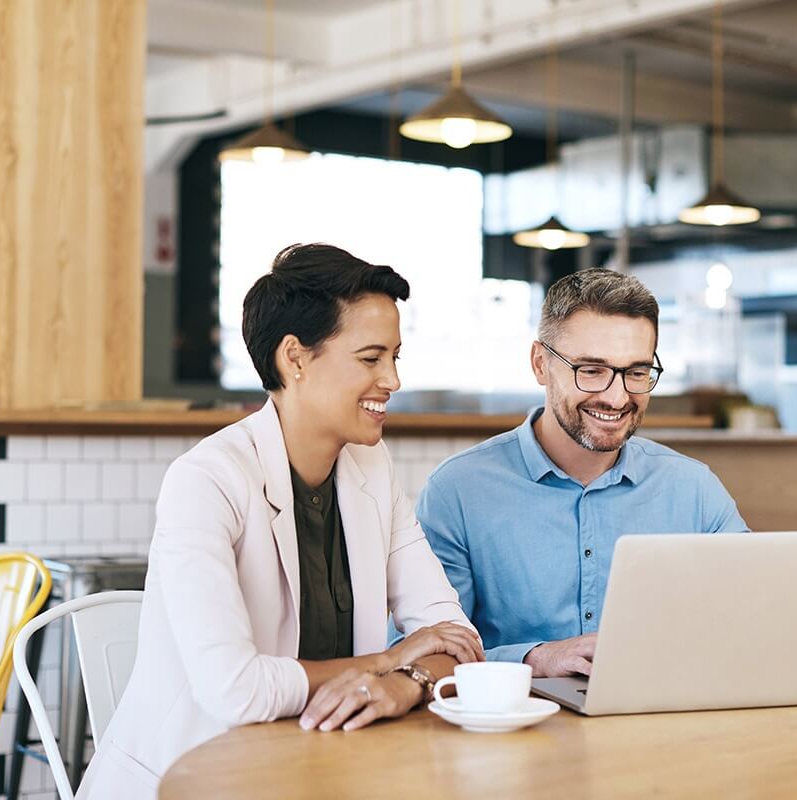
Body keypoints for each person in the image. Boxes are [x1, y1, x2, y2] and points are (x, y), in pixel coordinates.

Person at [79, 244, 483, 800]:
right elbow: (235, 691)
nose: (391, 379)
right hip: (194, 777)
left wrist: (406, 685)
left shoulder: (372, 466)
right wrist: (390, 659)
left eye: (395, 356)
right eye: (370, 358)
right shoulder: (207, 480)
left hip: (322, 769)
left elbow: (454, 637)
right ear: (294, 358)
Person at [416, 268, 747, 679]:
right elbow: (418, 652)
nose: (616, 396)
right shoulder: (458, 491)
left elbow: (749, 623)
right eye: (591, 370)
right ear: (540, 364)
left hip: (660, 725)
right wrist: (533, 659)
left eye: (637, 372)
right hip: (512, 731)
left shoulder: (694, 490)